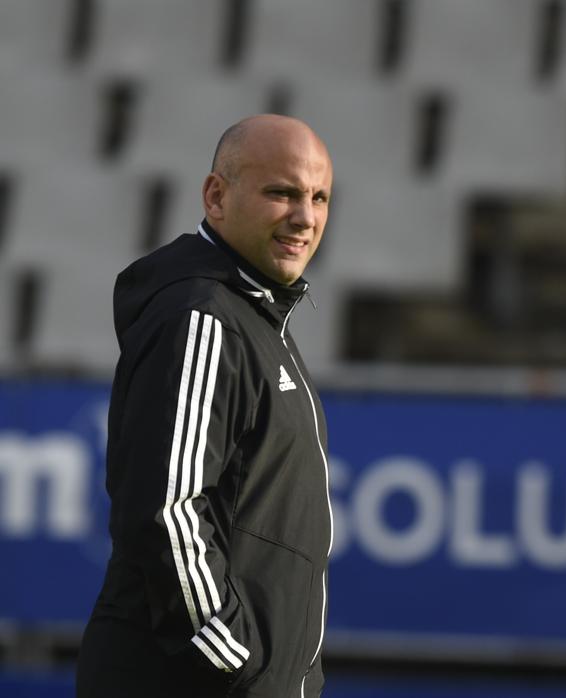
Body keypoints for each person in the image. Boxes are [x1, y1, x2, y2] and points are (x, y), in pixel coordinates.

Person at [77, 114, 335, 698]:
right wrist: (238, 661)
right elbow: (166, 512)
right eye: (282, 193)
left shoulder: (257, 315)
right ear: (217, 196)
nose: (306, 217)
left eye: (319, 197)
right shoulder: (204, 316)